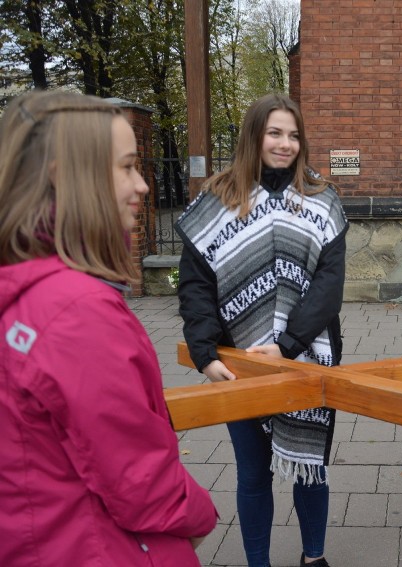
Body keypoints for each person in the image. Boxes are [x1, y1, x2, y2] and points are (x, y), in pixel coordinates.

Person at [0, 91, 218, 566]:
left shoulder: (21, 293)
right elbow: (140, 480)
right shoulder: (76, 312)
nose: (141, 185)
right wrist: (200, 517)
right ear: (65, 175)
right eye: (125, 167)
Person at [176, 93, 347, 567]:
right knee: (253, 473)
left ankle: (314, 557)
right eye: (275, 132)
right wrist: (205, 353)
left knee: (311, 469)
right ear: (254, 135)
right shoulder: (216, 200)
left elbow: (329, 286)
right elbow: (196, 287)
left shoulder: (322, 199)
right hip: (240, 364)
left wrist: (289, 346)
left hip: (307, 359)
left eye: (293, 135)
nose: (285, 143)